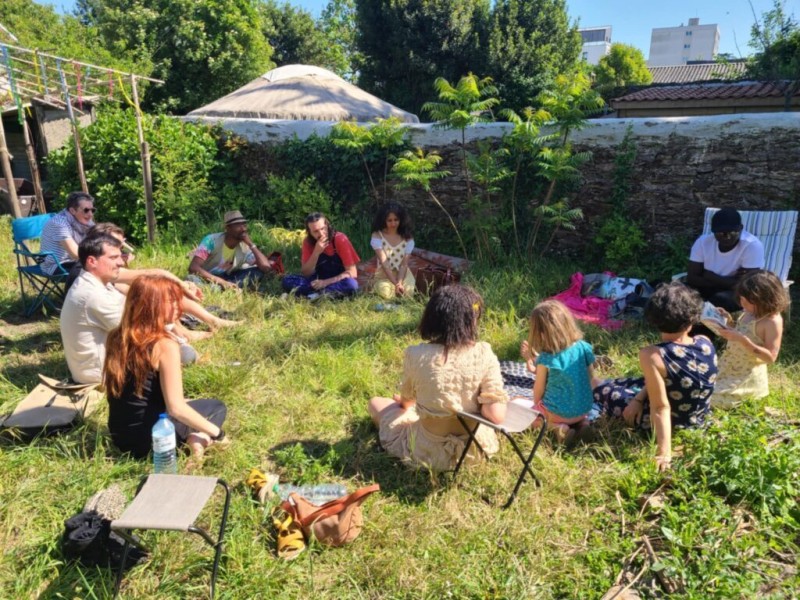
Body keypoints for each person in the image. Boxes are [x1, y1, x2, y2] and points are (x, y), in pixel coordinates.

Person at [367, 285, 508, 471]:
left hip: (424, 450)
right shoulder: (484, 352)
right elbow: (496, 415)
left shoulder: (416, 354)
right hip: (473, 450)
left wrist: (405, 403)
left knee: (376, 402)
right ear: (471, 321)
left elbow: (407, 403)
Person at [596, 282, 718, 471]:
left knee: (604, 390)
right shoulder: (705, 342)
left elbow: (661, 407)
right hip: (699, 417)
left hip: (673, 422)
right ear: (693, 318)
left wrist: (664, 453)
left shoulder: (652, 355)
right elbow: (674, 379)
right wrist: (638, 398)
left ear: (654, 318)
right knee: (630, 381)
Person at [104, 275, 228, 460]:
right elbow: (176, 408)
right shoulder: (164, 345)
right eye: (172, 301)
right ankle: (198, 440)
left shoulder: (116, 337)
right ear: (152, 305)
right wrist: (219, 434)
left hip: (120, 437)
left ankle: (197, 437)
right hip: (156, 441)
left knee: (194, 405)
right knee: (216, 407)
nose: (179, 306)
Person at [61, 235, 206, 384]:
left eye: (120, 257)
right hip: (103, 375)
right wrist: (170, 327)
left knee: (175, 345)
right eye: (113, 258)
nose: (120, 262)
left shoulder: (95, 283)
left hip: (100, 365)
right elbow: (139, 336)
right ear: (92, 261)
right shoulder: (93, 296)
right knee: (181, 353)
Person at [68, 223, 238, 330]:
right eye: (115, 251)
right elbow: (134, 292)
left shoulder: (91, 273)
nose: (121, 254)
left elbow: (141, 281)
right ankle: (187, 330)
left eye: (121, 247)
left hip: (108, 328)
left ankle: (201, 323)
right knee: (160, 296)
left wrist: (180, 284)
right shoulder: (92, 285)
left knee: (163, 291)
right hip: (107, 356)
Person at [522, 300, 599, 444]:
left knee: (531, 418)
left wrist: (537, 408)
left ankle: (559, 429)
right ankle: (584, 425)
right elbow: (591, 378)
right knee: (577, 415)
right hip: (583, 409)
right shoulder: (584, 347)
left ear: (542, 334)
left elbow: (539, 388)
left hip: (556, 413)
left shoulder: (546, 358)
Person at [712, 270, 789, 409]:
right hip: (728, 366)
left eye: (746, 301)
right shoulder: (750, 311)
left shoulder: (772, 321)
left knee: (709, 398)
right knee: (698, 386)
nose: (742, 304)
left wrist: (743, 340)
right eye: (741, 299)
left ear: (763, 300)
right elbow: (743, 329)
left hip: (745, 377)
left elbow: (770, 358)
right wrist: (727, 321)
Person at [686, 207, 764, 312]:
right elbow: (692, 278)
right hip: (710, 287)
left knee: (719, 300)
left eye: (731, 232)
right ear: (713, 231)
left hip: (734, 293)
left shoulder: (751, 245)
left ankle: (699, 326)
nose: (726, 236)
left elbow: (749, 286)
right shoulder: (703, 242)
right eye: (720, 233)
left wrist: (710, 276)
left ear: (741, 228)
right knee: (680, 294)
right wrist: (730, 282)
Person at [188, 210, 276, 290]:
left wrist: (251, 244)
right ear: (228, 228)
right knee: (193, 279)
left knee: (257, 272)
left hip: (228, 277)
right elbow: (193, 267)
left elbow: (266, 268)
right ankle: (219, 288)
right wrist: (222, 282)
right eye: (238, 225)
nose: (243, 229)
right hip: (207, 277)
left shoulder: (244, 247)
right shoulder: (211, 241)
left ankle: (224, 288)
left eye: (244, 225)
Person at [282, 212, 360, 299]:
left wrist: (325, 282)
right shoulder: (307, 242)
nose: (321, 234)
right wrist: (316, 252)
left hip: (337, 280)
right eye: (316, 231)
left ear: (327, 225)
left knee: (351, 285)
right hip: (316, 281)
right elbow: (306, 273)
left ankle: (314, 296)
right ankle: (319, 295)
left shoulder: (340, 239)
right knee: (287, 280)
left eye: (323, 228)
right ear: (310, 232)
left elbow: (352, 273)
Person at [40, 191, 96, 275]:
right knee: (100, 269)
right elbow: (76, 254)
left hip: (75, 262)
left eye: (92, 210)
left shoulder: (84, 220)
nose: (90, 214)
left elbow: (100, 238)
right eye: (86, 210)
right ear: (72, 210)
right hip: (56, 265)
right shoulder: (59, 224)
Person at [370, 202, 416, 300]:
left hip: (403, 273)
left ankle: (400, 292)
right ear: (383, 220)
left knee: (408, 292)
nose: (393, 223)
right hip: (384, 274)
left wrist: (399, 282)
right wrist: (395, 283)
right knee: (386, 293)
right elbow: (384, 263)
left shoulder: (408, 238)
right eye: (389, 220)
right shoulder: (377, 236)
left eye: (396, 220)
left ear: (401, 220)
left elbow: (404, 264)